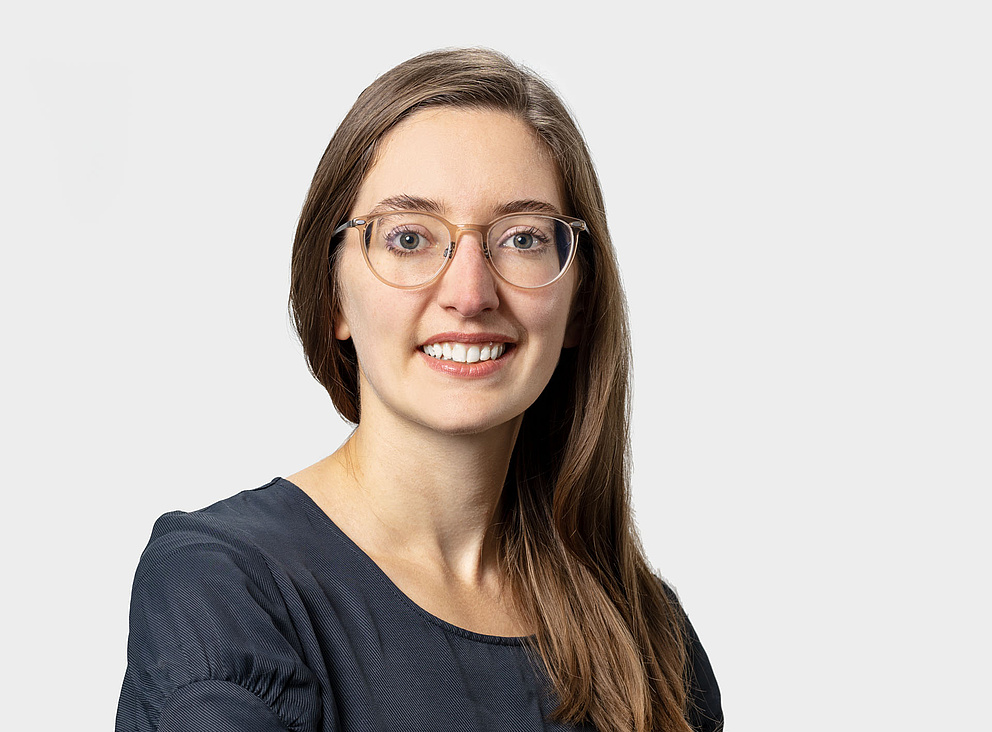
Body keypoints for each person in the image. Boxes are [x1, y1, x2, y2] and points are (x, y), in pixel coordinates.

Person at [116, 48, 723, 732]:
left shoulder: (647, 632)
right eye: (409, 238)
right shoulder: (221, 586)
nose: (470, 293)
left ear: (579, 302)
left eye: (522, 238)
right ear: (333, 297)